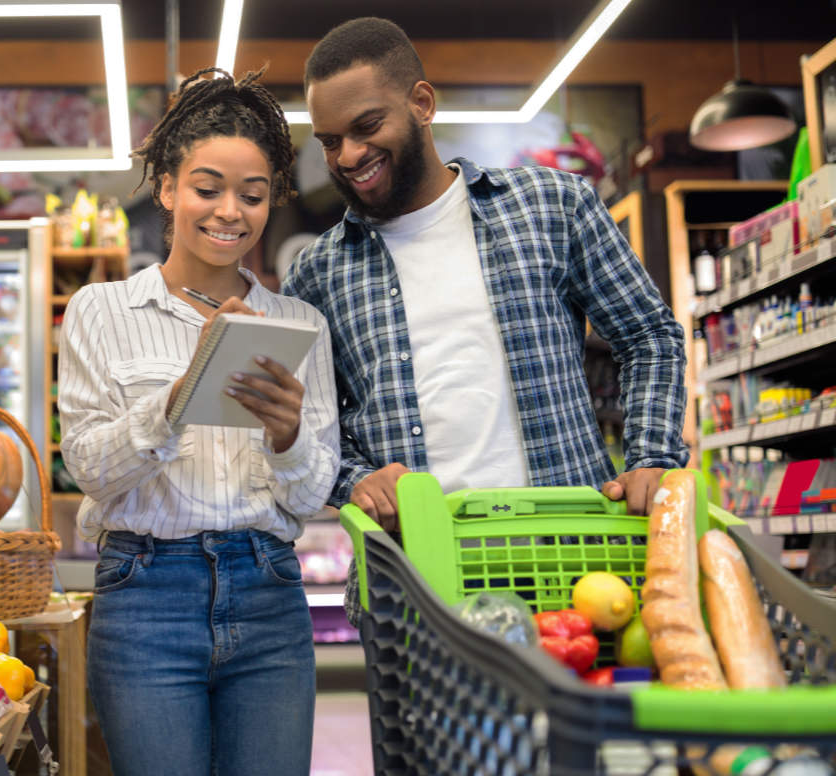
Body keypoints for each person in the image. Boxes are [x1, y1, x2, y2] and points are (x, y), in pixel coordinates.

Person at [281, 17, 689, 623]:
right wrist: (355, 480)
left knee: (579, 716)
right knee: (424, 723)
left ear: (421, 103)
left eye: (367, 127)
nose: (349, 156)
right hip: (413, 575)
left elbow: (648, 335)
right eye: (329, 140)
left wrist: (652, 455)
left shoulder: (554, 205)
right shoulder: (316, 273)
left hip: (573, 552)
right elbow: (309, 429)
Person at [57, 67, 340, 776]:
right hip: (144, 601)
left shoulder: (297, 323)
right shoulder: (101, 311)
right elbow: (87, 466)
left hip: (269, 597)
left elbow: (313, 489)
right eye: (208, 187)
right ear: (168, 187)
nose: (230, 212)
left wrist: (286, 435)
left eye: (252, 194)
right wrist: (174, 402)